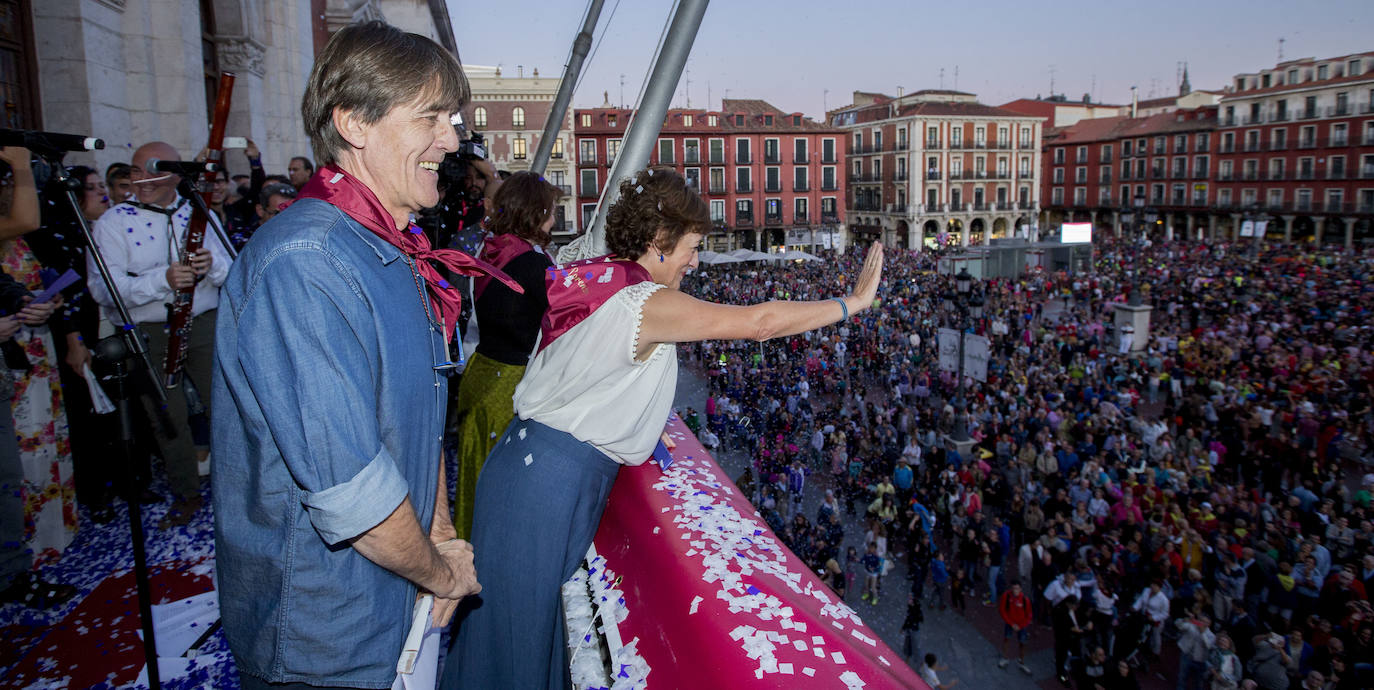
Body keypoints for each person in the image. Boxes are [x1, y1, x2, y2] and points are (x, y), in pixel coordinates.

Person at [445, 166, 884, 690]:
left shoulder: (593, 272)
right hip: (547, 486)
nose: (695, 261)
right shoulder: (644, 304)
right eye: (691, 247)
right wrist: (850, 303)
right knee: (513, 657)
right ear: (659, 239)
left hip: (526, 468)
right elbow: (759, 323)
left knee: (509, 643)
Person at [212, 22, 492, 688]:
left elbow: (418, 419)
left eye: (451, 120)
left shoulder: (394, 248)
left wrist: (443, 533)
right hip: (327, 638)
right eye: (432, 117)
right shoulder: (307, 263)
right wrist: (440, 569)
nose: (451, 140)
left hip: (398, 604)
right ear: (354, 124)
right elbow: (354, 495)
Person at [88, 139, 233, 526]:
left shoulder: (199, 212)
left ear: (173, 174)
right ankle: (186, 492)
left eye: (151, 170)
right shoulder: (113, 223)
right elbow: (103, 289)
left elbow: (232, 272)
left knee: (225, 405)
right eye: (136, 171)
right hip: (148, 331)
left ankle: (237, 487)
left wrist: (211, 267)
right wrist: (161, 280)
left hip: (203, 324)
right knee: (167, 416)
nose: (142, 179)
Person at [450, 171, 559, 539]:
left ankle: (469, 549)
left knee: (474, 475)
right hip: (507, 385)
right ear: (537, 212)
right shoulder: (534, 265)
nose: (555, 218)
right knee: (499, 486)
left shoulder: (491, 249)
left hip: (481, 372)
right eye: (552, 210)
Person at [1, 145, 77, 559]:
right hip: (12, 361)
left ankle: (48, 538)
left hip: (36, 350)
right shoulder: (13, 226)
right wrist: (19, 162)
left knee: (44, 443)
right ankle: (20, 552)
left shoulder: (17, 242)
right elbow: (28, 217)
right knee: (18, 458)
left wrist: (45, 304)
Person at [998, 580, 1034, 674]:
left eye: (1017, 588)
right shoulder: (1006, 596)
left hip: (1021, 625)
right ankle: (1005, 658)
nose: (1015, 590)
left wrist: (1021, 625)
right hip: (1010, 623)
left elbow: (1029, 615)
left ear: (1020, 589)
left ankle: (1021, 661)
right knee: (1007, 639)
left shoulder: (1025, 600)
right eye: (1013, 588)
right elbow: (1002, 610)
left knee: (1022, 643)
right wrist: (1011, 623)